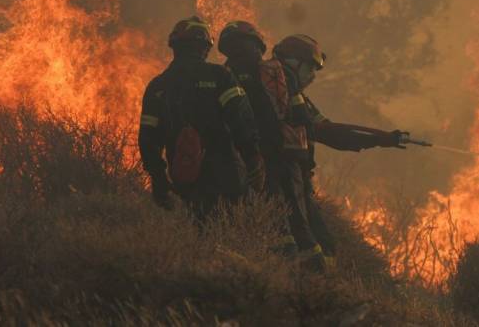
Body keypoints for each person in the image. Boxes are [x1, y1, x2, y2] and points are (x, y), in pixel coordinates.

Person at [271, 34, 409, 269]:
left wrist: (380, 138)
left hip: (292, 182)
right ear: (294, 63)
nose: (312, 77)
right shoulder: (284, 97)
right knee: (314, 251)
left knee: (318, 248)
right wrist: (380, 139)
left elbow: (329, 130)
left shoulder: (294, 98)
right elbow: (331, 134)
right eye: (310, 69)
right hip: (285, 182)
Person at [138, 17, 265, 219]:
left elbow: (148, 139)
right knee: (230, 228)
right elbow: (241, 120)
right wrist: (253, 158)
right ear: (205, 47)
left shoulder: (158, 86)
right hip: (226, 173)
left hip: (185, 172)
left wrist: (158, 179)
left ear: (174, 47)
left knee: (198, 227)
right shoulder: (220, 76)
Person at [218, 21, 302, 256]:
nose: (239, 52)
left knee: (256, 204)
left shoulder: (224, 76)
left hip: (246, 153)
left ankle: (276, 254)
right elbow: (295, 115)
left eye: (240, 46)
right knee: (275, 205)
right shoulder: (274, 74)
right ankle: (280, 256)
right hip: (271, 151)